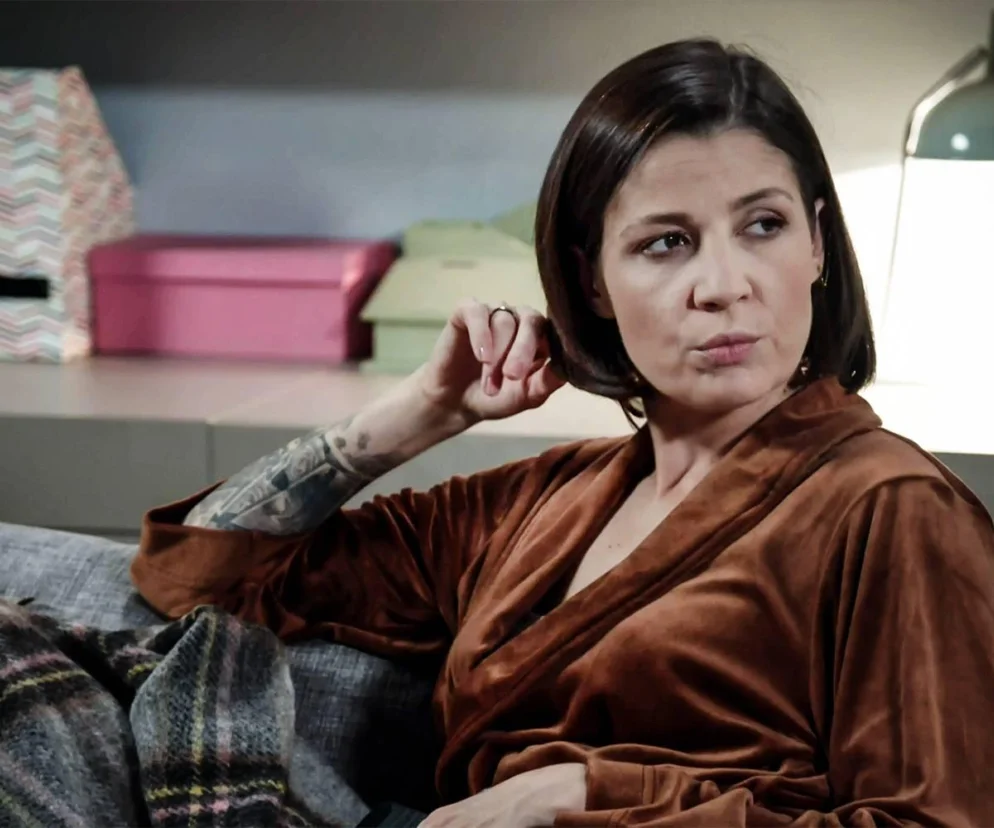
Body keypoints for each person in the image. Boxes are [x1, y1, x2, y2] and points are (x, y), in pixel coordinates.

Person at [132, 38, 994, 827]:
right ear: (592, 284)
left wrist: (579, 793)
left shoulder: (892, 509)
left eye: (763, 226)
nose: (724, 285)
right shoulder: (540, 503)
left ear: (817, 245)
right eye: (667, 243)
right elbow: (197, 574)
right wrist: (421, 413)